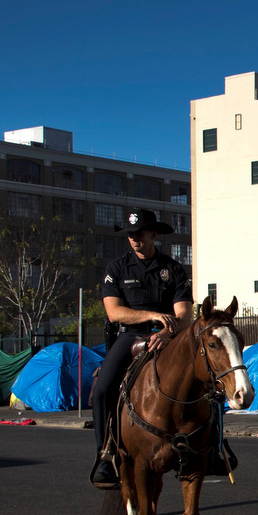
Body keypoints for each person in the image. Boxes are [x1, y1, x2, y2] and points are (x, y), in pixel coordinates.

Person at [89, 209, 192, 488]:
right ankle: (105, 455)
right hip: (130, 337)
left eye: (140, 234)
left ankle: (215, 449)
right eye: (131, 235)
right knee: (102, 389)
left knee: (207, 381)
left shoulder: (174, 269)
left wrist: (167, 332)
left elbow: (184, 315)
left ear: (153, 235)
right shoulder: (117, 269)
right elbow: (114, 312)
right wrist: (151, 316)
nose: (134, 240)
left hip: (167, 338)